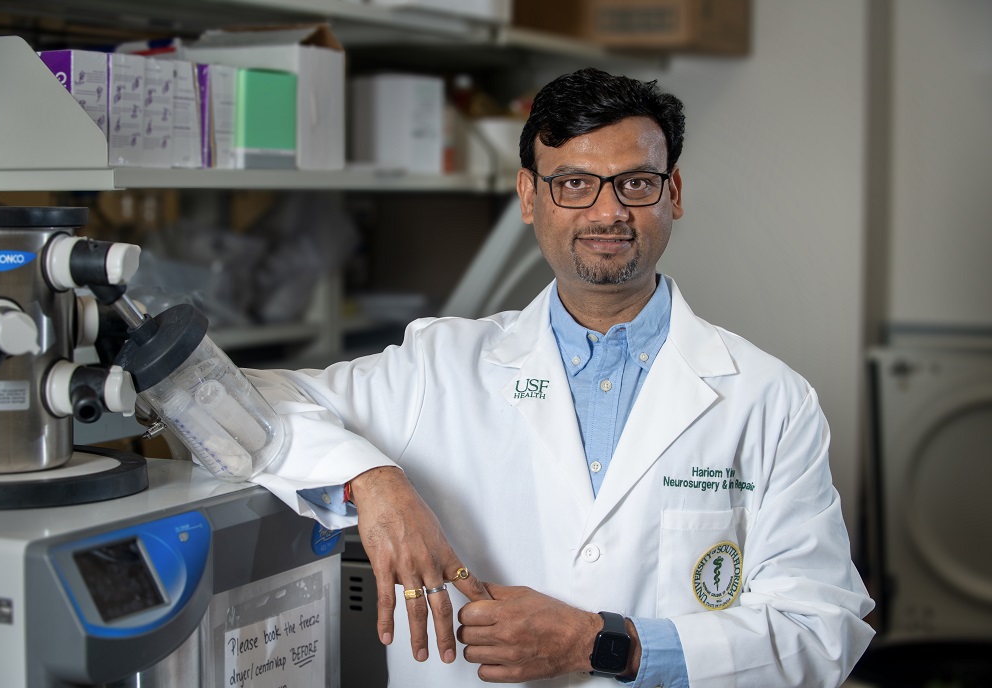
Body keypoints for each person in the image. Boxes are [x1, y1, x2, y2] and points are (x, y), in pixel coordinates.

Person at [248, 67, 875, 687]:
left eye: (635, 183)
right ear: (529, 195)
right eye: (574, 183)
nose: (608, 212)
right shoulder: (435, 367)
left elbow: (819, 632)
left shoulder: (768, 398)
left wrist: (605, 645)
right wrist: (370, 479)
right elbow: (241, 405)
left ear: (673, 193)